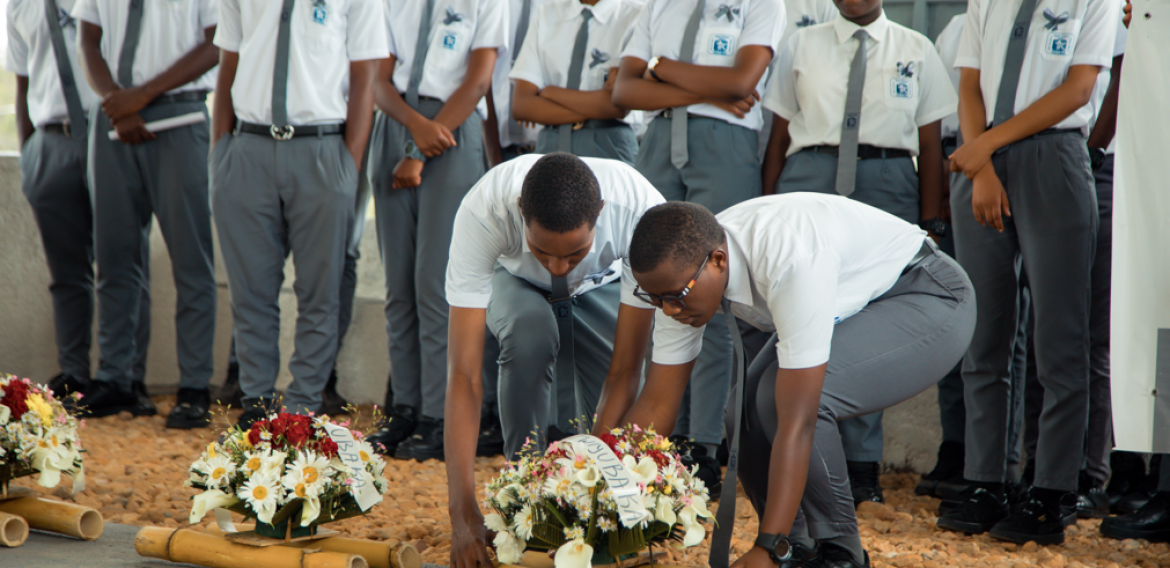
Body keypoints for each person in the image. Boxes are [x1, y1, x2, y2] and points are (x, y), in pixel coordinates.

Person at [615, 196, 974, 568]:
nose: (668, 310)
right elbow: (657, 403)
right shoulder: (680, 273)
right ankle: (797, 547)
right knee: (742, 413)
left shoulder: (787, 256)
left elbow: (799, 419)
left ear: (719, 261)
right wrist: (599, 496)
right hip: (857, 299)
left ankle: (839, 553)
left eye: (674, 297)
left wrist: (768, 546)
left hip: (928, 292)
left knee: (788, 399)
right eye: (654, 299)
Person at [935, 0, 1119, 545]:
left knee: (1059, 339)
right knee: (984, 337)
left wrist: (983, 147)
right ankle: (986, 478)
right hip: (982, 165)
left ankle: (1053, 488)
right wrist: (984, 166)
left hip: (1052, 158)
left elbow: (1078, 89)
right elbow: (970, 85)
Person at [759, 0, 955, 506]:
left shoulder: (917, 49)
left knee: (871, 320)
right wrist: (769, 204)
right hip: (811, 178)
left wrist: (931, 219)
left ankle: (862, 466)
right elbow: (778, 135)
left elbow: (931, 144)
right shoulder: (802, 43)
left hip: (886, 184)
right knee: (800, 316)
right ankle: (795, 454)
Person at [444, 152, 665, 568]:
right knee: (531, 333)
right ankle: (524, 495)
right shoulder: (484, 210)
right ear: (520, 211)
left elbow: (626, 369)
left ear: (600, 213)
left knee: (611, 423)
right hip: (516, 282)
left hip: (603, 282)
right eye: (543, 251)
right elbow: (465, 376)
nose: (558, 268)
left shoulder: (639, 210)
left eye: (574, 252)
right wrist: (462, 514)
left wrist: (597, 494)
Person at [612, 0, 786, 489]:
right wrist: (708, 86)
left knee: (710, 291)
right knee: (654, 288)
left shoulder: (762, 4)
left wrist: (661, 71)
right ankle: (655, 435)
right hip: (658, 143)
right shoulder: (656, 7)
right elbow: (624, 92)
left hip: (725, 145)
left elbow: (741, 83)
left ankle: (705, 441)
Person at [209, 0, 385, 426]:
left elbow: (366, 76)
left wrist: (349, 166)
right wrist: (220, 154)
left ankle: (303, 409)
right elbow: (227, 65)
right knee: (251, 293)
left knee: (319, 294)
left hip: (323, 151)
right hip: (246, 150)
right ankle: (257, 405)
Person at [364, 0, 506, 461]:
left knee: (434, 286)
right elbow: (379, 81)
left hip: (452, 131)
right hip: (399, 124)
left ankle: (437, 415)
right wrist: (412, 132)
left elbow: (478, 81)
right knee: (399, 287)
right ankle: (405, 407)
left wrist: (421, 148)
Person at [73, 0, 219, 427]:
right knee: (115, 258)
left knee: (191, 261)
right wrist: (116, 101)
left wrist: (143, 95)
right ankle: (118, 379)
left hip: (180, 117)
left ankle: (193, 387)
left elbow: (215, 46)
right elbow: (88, 40)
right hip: (114, 120)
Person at [6, 0, 102, 399]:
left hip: (105, 133)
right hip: (49, 140)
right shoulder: (20, 6)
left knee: (121, 264)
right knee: (66, 270)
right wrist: (30, 153)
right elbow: (22, 82)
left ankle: (122, 375)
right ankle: (75, 371)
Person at [508, 0, 644, 163]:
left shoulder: (637, 16)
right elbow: (522, 106)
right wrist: (600, 106)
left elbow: (618, 106)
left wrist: (551, 93)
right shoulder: (546, 15)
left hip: (610, 143)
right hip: (550, 143)